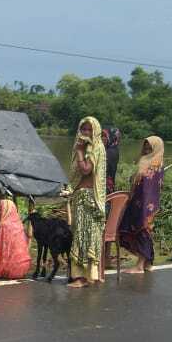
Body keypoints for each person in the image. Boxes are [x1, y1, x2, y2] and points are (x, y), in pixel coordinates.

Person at [67, 116, 106, 288]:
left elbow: (85, 170)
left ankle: (81, 278)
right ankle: (91, 276)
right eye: (83, 129)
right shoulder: (90, 146)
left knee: (84, 236)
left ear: (95, 131)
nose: (85, 133)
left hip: (88, 198)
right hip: (82, 196)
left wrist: (79, 151)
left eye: (89, 129)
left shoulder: (95, 147)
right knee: (85, 235)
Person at [118, 136, 165, 273]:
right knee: (144, 231)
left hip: (145, 203)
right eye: (145, 148)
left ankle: (139, 266)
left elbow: (147, 186)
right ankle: (147, 263)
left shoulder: (154, 164)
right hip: (143, 202)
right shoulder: (152, 162)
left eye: (150, 149)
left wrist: (143, 204)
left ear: (156, 149)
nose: (146, 151)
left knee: (142, 230)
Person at [102, 127, 122, 194]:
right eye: (102, 136)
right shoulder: (114, 149)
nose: (102, 138)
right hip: (109, 185)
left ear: (112, 137)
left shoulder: (109, 152)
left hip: (104, 187)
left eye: (105, 136)